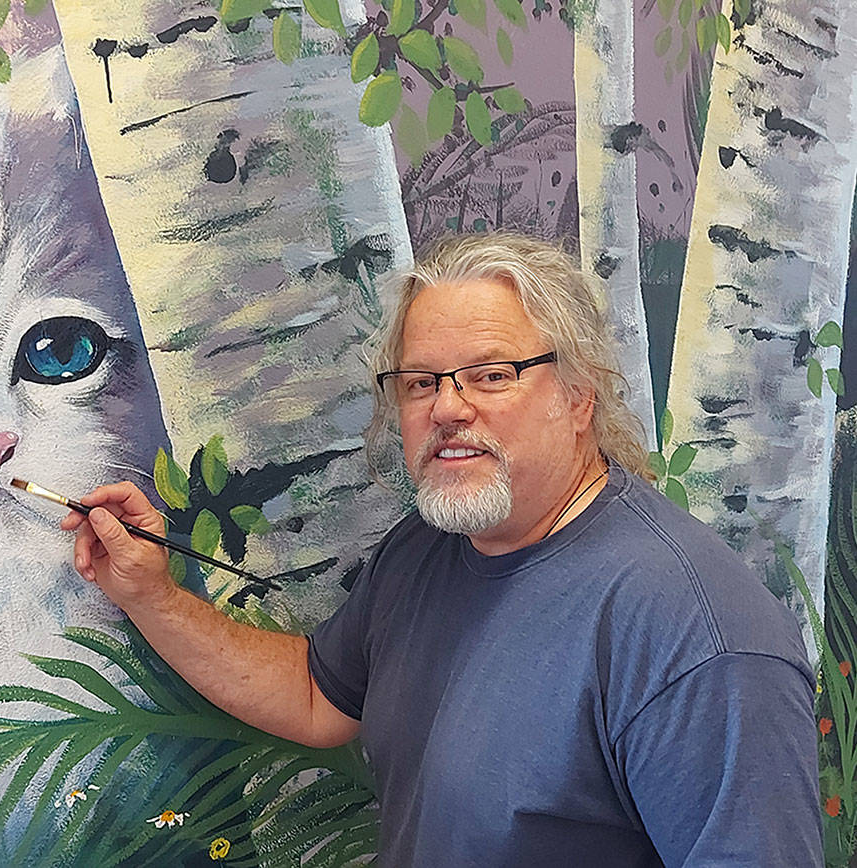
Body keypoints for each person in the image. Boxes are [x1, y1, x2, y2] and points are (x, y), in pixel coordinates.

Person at [60, 232, 822, 866]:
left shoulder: (699, 638)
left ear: (579, 397)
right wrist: (151, 594)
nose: (449, 407)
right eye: (422, 382)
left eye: (492, 375)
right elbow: (320, 698)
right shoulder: (427, 550)